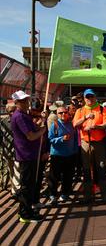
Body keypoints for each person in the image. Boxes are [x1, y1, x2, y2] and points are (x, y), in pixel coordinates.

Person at [10, 91, 48, 223]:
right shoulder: (19, 116)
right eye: (22, 101)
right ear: (16, 103)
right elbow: (31, 136)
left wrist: (41, 122)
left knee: (30, 183)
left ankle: (28, 210)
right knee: (27, 185)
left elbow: (34, 128)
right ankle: (25, 213)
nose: (26, 102)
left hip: (30, 154)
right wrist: (43, 130)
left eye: (26, 100)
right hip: (26, 155)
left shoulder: (24, 115)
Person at [73, 89, 106, 203]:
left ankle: (104, 195)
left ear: (95, 97)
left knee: (101, 168)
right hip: (86, 143)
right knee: (86, 169)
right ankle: (88, 196)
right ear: (84, 99)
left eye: (91, 96)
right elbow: (75, 124)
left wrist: (96, 127)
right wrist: (85, 118)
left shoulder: (102, 109)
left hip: (99, 143)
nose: (89, 99)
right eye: (87, 97)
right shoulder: (80, 110)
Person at [48, 106, 78, 204]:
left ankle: (65, 194)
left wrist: (75, 151)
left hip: (70, 155)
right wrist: (61, 139)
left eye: (65, 112)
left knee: (68, 176)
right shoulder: (55, 125)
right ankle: (52, 195)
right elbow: (50, 139)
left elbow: (75, 139)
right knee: (54, 177)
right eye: (60, 113)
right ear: (57, 115)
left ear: (68, 113)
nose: (63, 114)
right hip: (57, 155)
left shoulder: (71, 125)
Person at [0, 103, 20, 197]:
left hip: (18, 151)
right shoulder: (3, 122)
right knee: (11, 171)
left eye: (14, 110)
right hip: (7, 151)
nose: (13, 113)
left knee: (18, 171)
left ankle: (16, 191)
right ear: (7, 112)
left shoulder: (19, 121)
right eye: (11, 111)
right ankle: (14, 190)